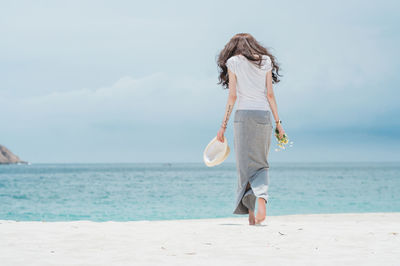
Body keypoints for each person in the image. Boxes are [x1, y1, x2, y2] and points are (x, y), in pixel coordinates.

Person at [216, 33, 285, 225]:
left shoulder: (233, 62)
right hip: (263, 116)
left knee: (244, 166)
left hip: (244, 117)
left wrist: (222, 126)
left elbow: (232, 97)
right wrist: (279, 124)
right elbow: (270, 95)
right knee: (261, 163)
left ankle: (253, 210)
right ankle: (258, 204)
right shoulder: (265, 61)